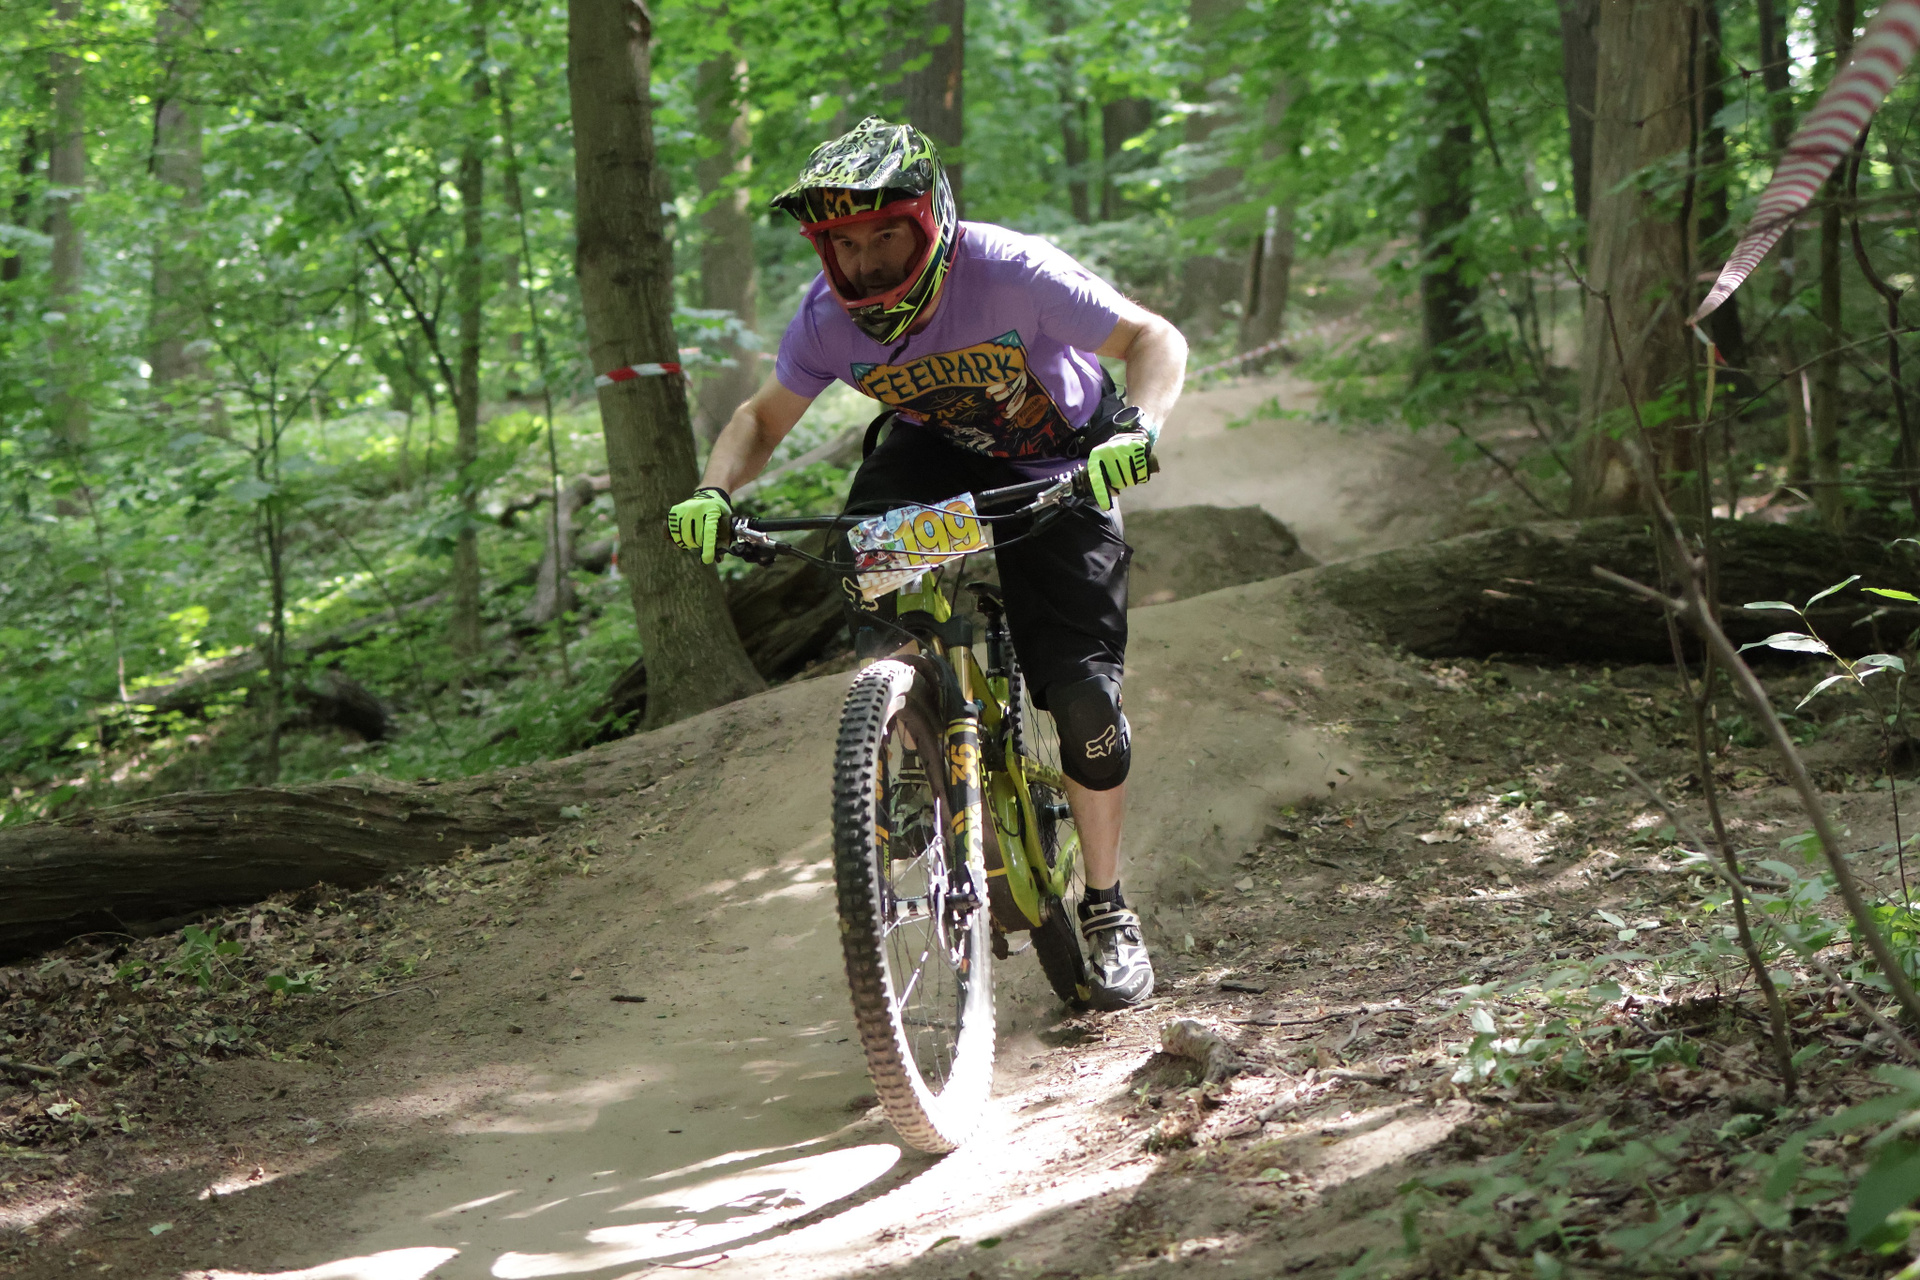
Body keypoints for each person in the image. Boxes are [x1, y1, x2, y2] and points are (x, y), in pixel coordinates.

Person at [665, 117, 1186, 1010]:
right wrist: (713, 491)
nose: (865, 263)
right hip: (936, 454)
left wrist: (1137, 432)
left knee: (1085, 701)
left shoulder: (1013, 271)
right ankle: (916, 733)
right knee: (866, 562)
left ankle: (1106, 907)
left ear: (931, 221)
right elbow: (759, 419)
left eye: (885, 237)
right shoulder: (826, 319)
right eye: (846, 244)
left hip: (1060, 461)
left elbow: (1154, 339)